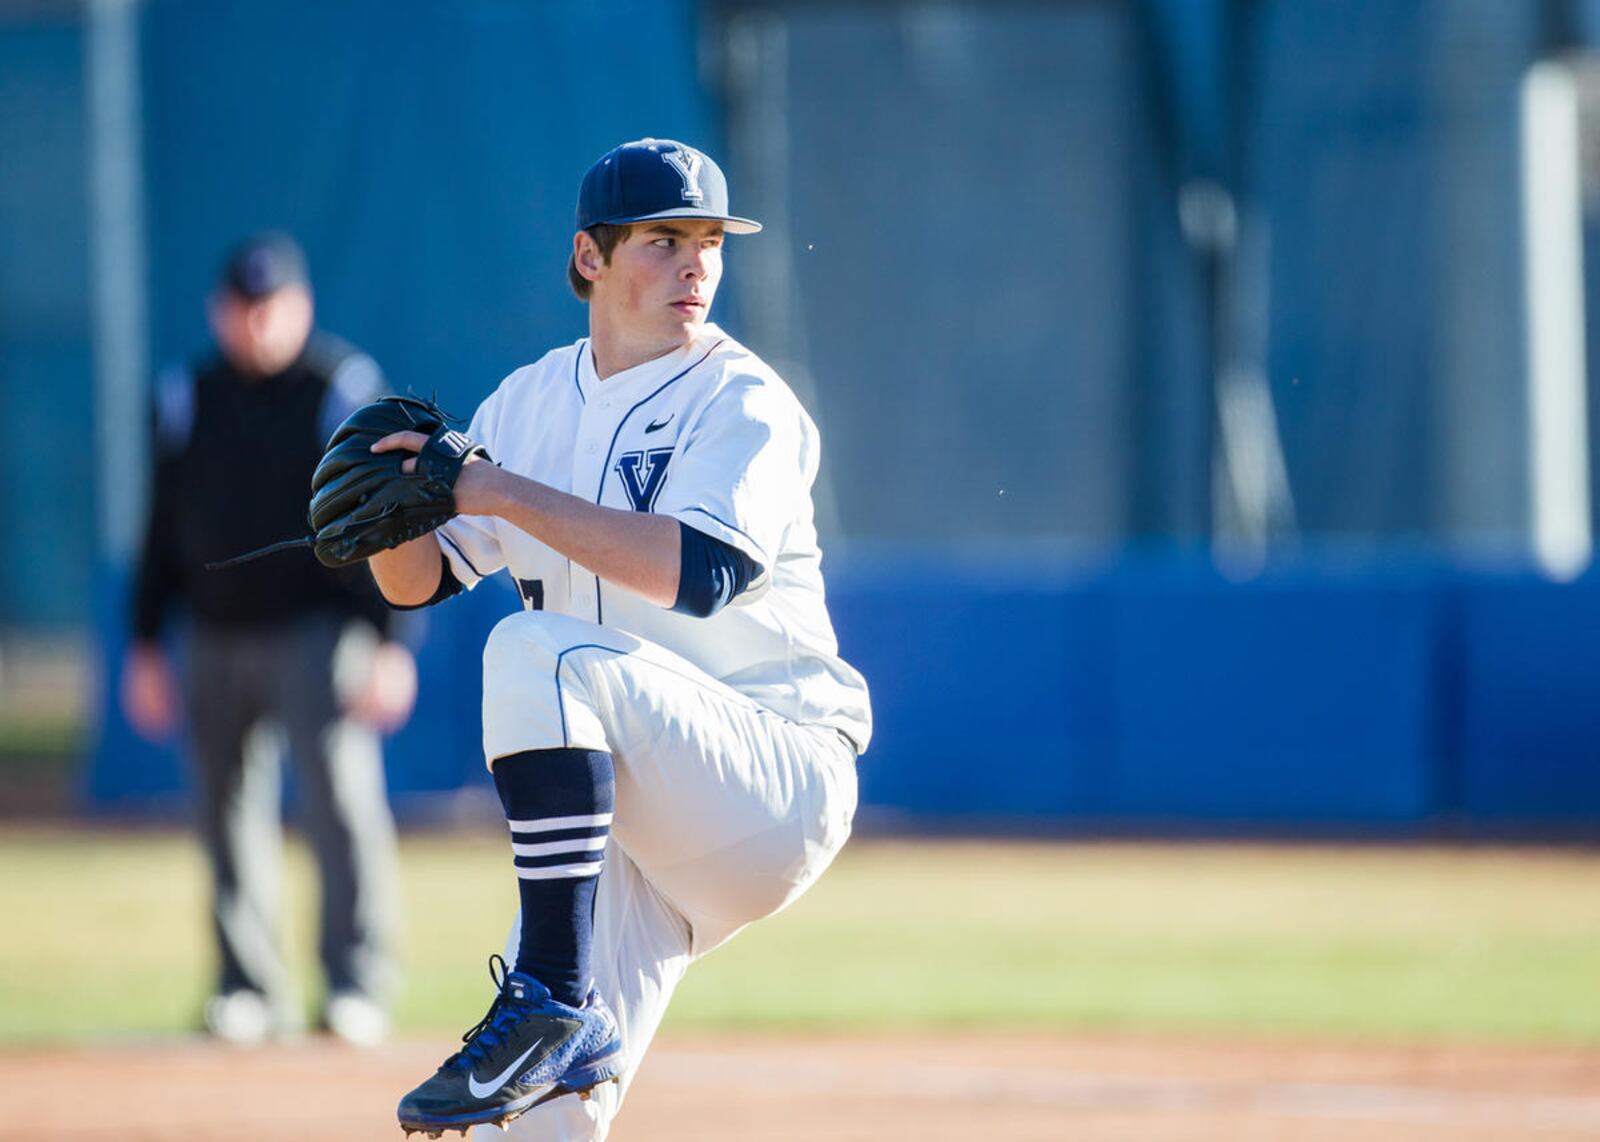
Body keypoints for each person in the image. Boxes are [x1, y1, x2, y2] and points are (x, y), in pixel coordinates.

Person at [364, 139, 870, 1139]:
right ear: (589, 256)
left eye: (710, 241)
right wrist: (385, 519)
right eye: (663, 240)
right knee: (537, 1127)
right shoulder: (527, 402)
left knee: (532, 648)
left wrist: (496, 488)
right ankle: (558, 1018)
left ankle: (552, 994)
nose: (695, 264)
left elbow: (699, 571)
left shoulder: (743, 401)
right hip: (634, 823)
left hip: (773, 775)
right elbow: (424, 580)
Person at [123, 232, 415, 1047]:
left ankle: (356, 984)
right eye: (243, 307)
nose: (256, 322)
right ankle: (245, 987)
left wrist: (389, 640)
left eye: (271, 305)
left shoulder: (341, 390)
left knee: (340, 808)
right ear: (219, 312)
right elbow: (159, 527)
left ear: (301, 306)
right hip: (212, 632)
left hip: (318, 632)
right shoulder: (185, 395)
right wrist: (144, 642)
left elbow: (384, 520)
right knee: (223, 813)